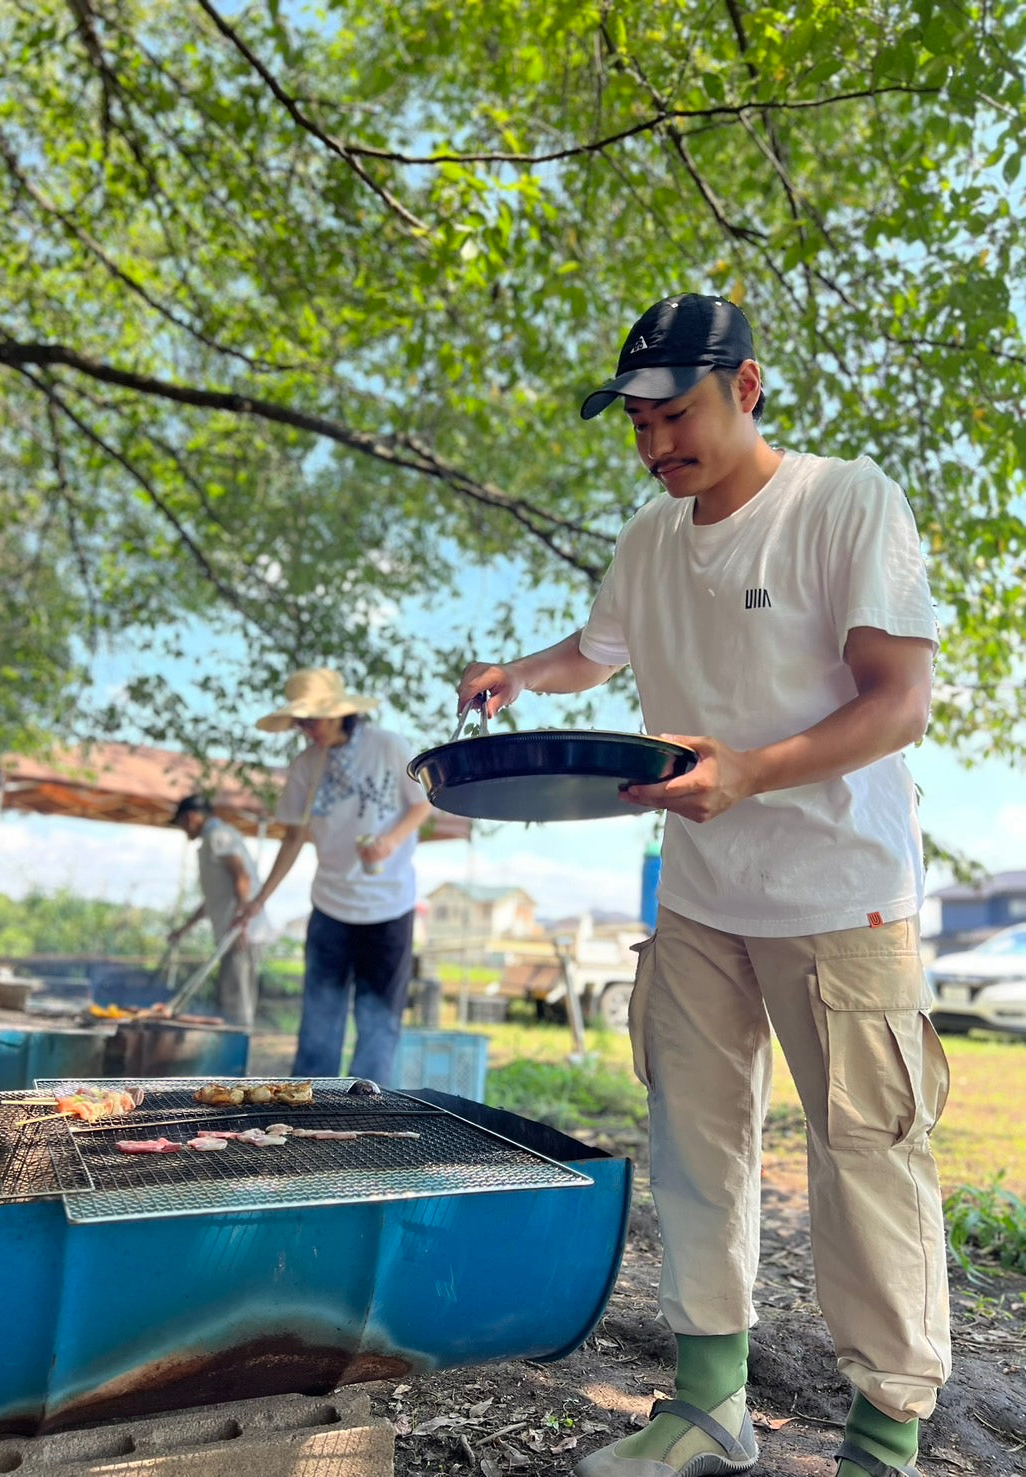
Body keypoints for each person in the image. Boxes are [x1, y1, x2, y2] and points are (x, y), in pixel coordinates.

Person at [457, 293, 949, 1477]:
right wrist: (520, 674)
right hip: (696, 894)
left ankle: (883, 1437)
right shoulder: (647, 537)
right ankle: (707, 1402)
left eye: (673, 412)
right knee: (694, 1147)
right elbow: (598, 650)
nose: (653, 442)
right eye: (634, 422)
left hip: (842, 892)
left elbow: (900, 698)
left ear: (747, 387)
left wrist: (752, 774)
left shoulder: (843, 503)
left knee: (866, 1155)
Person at [234, 667, 432, 1084]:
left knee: (379, 1022)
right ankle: (309, 1109)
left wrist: (389, 843)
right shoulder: (305, 765)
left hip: (389, 905)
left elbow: (421, 804)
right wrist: (259, 899)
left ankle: (367, 1111)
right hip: (330, 907)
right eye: (302, 721)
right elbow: (292, 838)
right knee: (319, 1019)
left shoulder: (388, 747)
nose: (309, 728)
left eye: (315, 718)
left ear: (342, 711)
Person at [167, 793, 271, 1028]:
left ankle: (236, 1061)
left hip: (241, 935)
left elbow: (241, 876)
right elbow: (214, 899)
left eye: (182, 824)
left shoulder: (219, 836)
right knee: (228, 1001)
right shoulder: (212, 840)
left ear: (192, 817)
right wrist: (184, 929)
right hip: (232, 933)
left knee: (237, 1006)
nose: (184, 830)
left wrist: (241, 921)